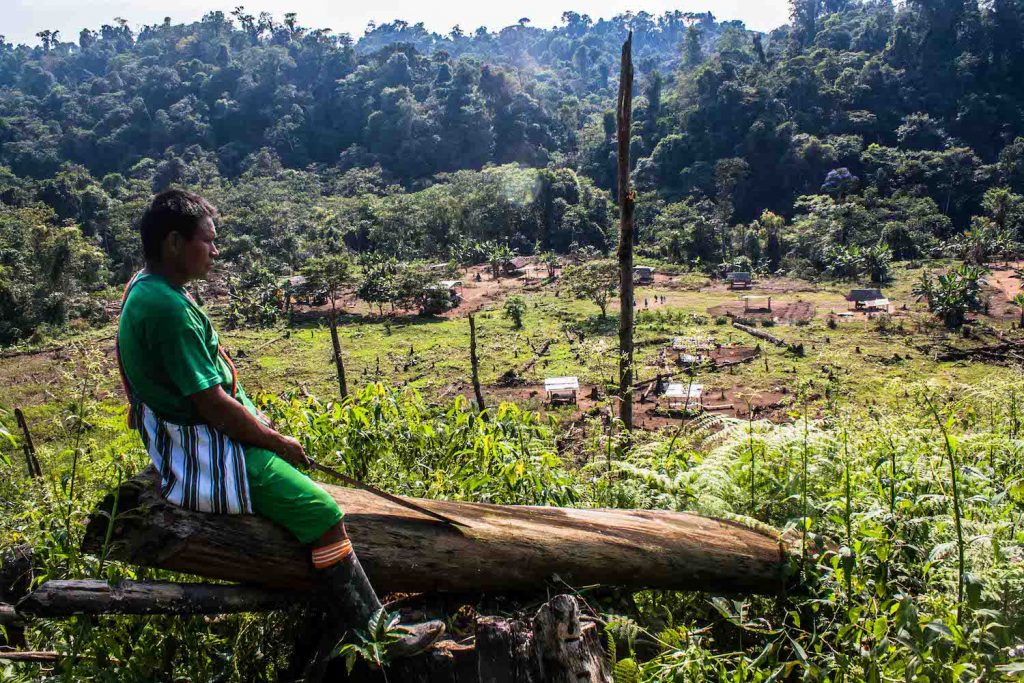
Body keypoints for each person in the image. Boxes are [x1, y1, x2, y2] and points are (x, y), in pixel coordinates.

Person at [116, 190, 443, 674]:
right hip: (206, 450)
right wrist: (277, 443)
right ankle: (375, 632)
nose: (215, 250)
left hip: (201, 433)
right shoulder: (165, 309)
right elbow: (214, 407)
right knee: (323, 511)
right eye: (208, 241)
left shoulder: (145, 287)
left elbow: (139, 363)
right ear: (173, 243)